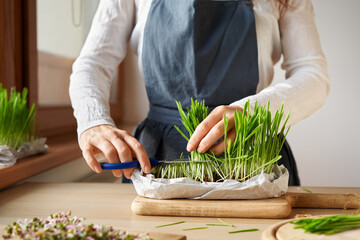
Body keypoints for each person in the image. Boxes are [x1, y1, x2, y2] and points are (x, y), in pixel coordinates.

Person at [70, 0, 330, 186]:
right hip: (160, 155)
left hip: (253, 149)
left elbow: (313, 74)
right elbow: (93, 63)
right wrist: (94, 121)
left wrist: (252, 112)